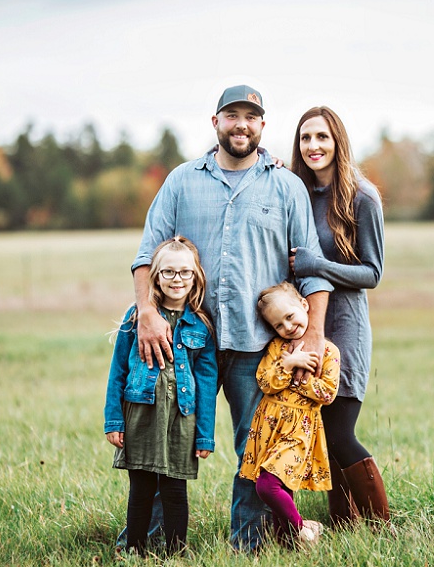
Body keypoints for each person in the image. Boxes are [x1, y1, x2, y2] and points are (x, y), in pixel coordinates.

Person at [131, 85, 333, 551]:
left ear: (263, 125)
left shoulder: (286, 186)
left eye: (251, 116)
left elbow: (313, 271)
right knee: (167, 442)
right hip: (183, 340)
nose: (241, 124)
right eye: (232, 115)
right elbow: (147, 254)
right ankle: (154, 543)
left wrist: (315, 336)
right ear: (215, 122)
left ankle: (250, 545)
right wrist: (146, 311)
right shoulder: (181, 180)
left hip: (256, 345)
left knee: (254, 451)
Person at [289, 106, 392, 528]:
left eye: (322, 137)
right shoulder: (295, 192)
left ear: (338, 142)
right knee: (318, 432)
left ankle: (379, 522)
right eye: (305, 138)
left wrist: (317, 265)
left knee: (338, 432)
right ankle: (345, 524)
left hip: (345, 327)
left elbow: (373, 272)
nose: (313, 146)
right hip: (302, 324)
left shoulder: (361, 197)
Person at [104, 236, 218, 557]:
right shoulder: (136, 319)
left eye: (184, 272)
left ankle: (175, 554)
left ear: (195, 276)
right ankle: (135, 552)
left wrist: (205, 435)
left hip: (181, 421)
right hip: (140, 415)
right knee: (140, 490)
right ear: (155, 276)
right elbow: (118, 373)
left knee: (174, 490)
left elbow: (207, 384)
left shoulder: (201, 326)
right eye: (168, 272)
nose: (177, 279)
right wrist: (114, 419)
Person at [238, 282, 340, 547]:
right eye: (278, 325)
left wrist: (298, 381)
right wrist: (287, 364)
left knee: (267, 486)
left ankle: (304, 528)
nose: (287, 327)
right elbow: (265, 381)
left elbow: (327, 394)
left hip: (299, 430)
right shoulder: (277, 349)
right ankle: (288, 545)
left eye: (290, 316)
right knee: (282, 488)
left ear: (304, 306)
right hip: (270, 427)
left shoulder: (327, 352)